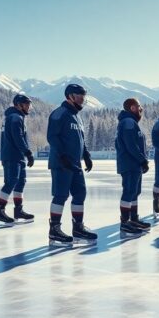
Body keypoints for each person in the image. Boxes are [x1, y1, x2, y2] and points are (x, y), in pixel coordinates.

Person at [46, 84, 97, 247]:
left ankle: (78, 227)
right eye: (80, 95)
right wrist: (62, 156)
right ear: (70, 96)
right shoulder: (59, 113)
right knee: (61, 195)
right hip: (61, 163)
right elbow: (52, 137)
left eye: (84, 96)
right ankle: (54, 229)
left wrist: (86, 155)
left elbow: (80, 139)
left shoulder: (77, 116)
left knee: (80, 193)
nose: (83, 99)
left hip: (75, 164)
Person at [0, 94, 36, 226]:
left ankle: (18, 210)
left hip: (17, 156)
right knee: (11, 181)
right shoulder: (15, 118)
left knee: (20, 182)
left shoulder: (17, 117)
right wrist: (28, 152)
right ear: (18, 104)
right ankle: (0, 211)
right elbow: (18, 137)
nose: (29, 107)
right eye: (26, 104)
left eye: (29, 105)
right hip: (12, 155)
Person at [115, 98, 150, 235]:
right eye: (139, 106)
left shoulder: (131, 122)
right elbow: (131, 144)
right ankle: (125, 222)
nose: (141, 109)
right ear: (132, 108)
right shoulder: (128, 122)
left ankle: (133, 218)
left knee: (135, 192)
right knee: (129, 192)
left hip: (134, 164)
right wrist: (142, 160)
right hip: (130, 164)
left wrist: (142, 161)